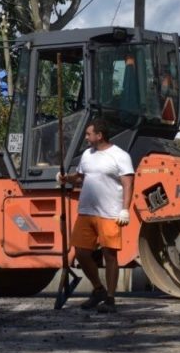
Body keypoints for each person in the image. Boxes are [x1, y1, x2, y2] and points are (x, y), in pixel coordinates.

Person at [57, 117, 134, 313]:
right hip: (86, 211)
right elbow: (81, 177)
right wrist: (67, 178)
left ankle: (110, 298)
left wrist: (125, 209)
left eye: (89, 134)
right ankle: (98, 289)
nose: (86, 137)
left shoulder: (120, 156)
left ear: (99, 136)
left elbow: (128, 184)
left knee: (110, 255)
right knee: (81, 253)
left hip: (110, 213)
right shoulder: (87, 155)